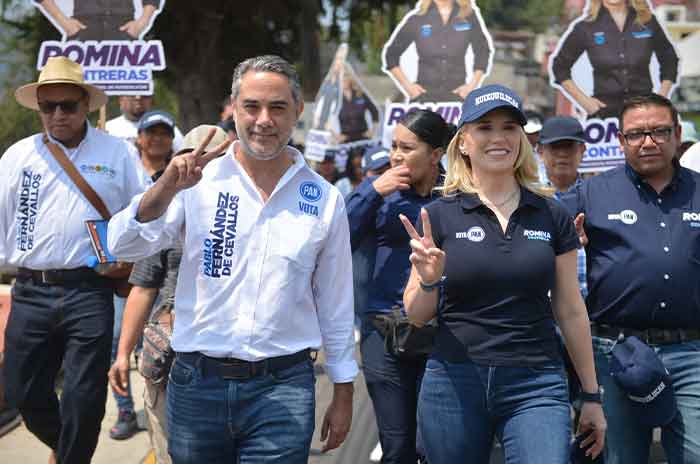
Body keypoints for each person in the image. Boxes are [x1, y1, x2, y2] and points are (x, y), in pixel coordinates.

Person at [107, 55, 358, 463]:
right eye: (252, 106)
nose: (264, 120)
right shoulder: (195, 181)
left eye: (277, 107)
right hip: (196, 386)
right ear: (233, 108)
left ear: (297, 112)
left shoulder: (325, 199)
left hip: (284, 390)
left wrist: (344, 390)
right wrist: (167, 185)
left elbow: (336, 303)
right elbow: (122, 244)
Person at [401, 85, 606, 463]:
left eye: (510, 127)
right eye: (485, 127)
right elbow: (415, 314)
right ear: (463, 141)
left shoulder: (552, 214)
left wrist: (591, 395)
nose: (499, 137)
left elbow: (572, 310)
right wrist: (430, 278)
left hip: (536, 382)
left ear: (522, 140)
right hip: (454, 379)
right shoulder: (439, 215)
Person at [1, 56, 147, 464]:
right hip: (30, 289)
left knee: (84, 399)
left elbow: (143, 210)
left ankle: (71, 458)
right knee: (20, 391)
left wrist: (133, 255)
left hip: (89, 289)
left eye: (67, 105)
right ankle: (66, 450)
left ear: (85, 105)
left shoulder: (117, 153)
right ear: (39, 109)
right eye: (48, 106)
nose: (58, 114)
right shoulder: (17, 157)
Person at [562, 93, 700, 463]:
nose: (649, 141)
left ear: (677, 137)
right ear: (620, 141)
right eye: (637, 134)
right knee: (620, 458)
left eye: (659, 131)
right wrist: (563, 243)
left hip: (692, 352)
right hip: (614, 353)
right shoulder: (589, 193)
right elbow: (533, 232)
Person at [109, 126, 227, 464]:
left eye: (213, 158)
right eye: (191, 157)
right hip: (168, 352)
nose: (200, 165)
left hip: (228, 356)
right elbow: (143, 287)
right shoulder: (168, 213)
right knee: (169, 450)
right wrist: (122, 354)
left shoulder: (252, 211)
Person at [347, 109, 452, 463]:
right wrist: (371, 191)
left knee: (436, 445)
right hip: (383, 331)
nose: (396, 156)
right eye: (393, 146)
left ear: (436, 155)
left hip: (443, 334)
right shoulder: (380, 194)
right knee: (397, 447)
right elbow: (335, 239)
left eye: (407, 148)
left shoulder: (459, 198)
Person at [106, 109, 177, 441]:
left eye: (165, 132)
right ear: (140, 138)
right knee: (120, 339)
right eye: (152, 132)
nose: (158, 138)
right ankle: (124, 410)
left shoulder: (183, 179)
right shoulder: (127, 173)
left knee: (156, 353)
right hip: (122, 275)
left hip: (166, 289)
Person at [551, 0, 678, 119]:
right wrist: (585, 102)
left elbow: (669, 58)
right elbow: (559, 66)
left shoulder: (647, 21)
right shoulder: (586, 27)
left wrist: (661, 97)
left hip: (645, 114)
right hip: (604, 117)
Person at [383, 0, 492, 102]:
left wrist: (471, 86)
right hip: (423, 98)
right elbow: (391, 55)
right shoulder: (418, 18)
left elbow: (483, 51)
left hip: (457, 98)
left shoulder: (468, 17)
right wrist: (408, 87)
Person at [539, 116, 588, 298]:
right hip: (543, 308)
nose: (562, 154)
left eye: (568, 147)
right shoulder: (525, 196)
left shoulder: (599, 195)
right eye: (554, 147)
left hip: (592, 308)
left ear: (582, 150)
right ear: (540, 151)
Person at [37, 0, 160, 40]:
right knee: (81, 91)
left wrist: (142, 22)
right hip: (83, 29)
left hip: (124, 28)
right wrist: (63, 22)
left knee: (130, 92)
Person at [106, 94, 184, 150]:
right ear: (120, 99)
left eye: (145, 95)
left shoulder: (168, 127)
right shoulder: (107, 128)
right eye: (132, 94)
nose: (138, 97)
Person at [337, 69, 380, 143]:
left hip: (363, 135)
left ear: (350, 79)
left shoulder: (360, 95)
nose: (344, 81)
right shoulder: (336, 97)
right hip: (345, 137)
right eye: (341, 79)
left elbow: (374, 111)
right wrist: (335, 136)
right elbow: (325, 117)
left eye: (345, 78)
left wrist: (373, 131)